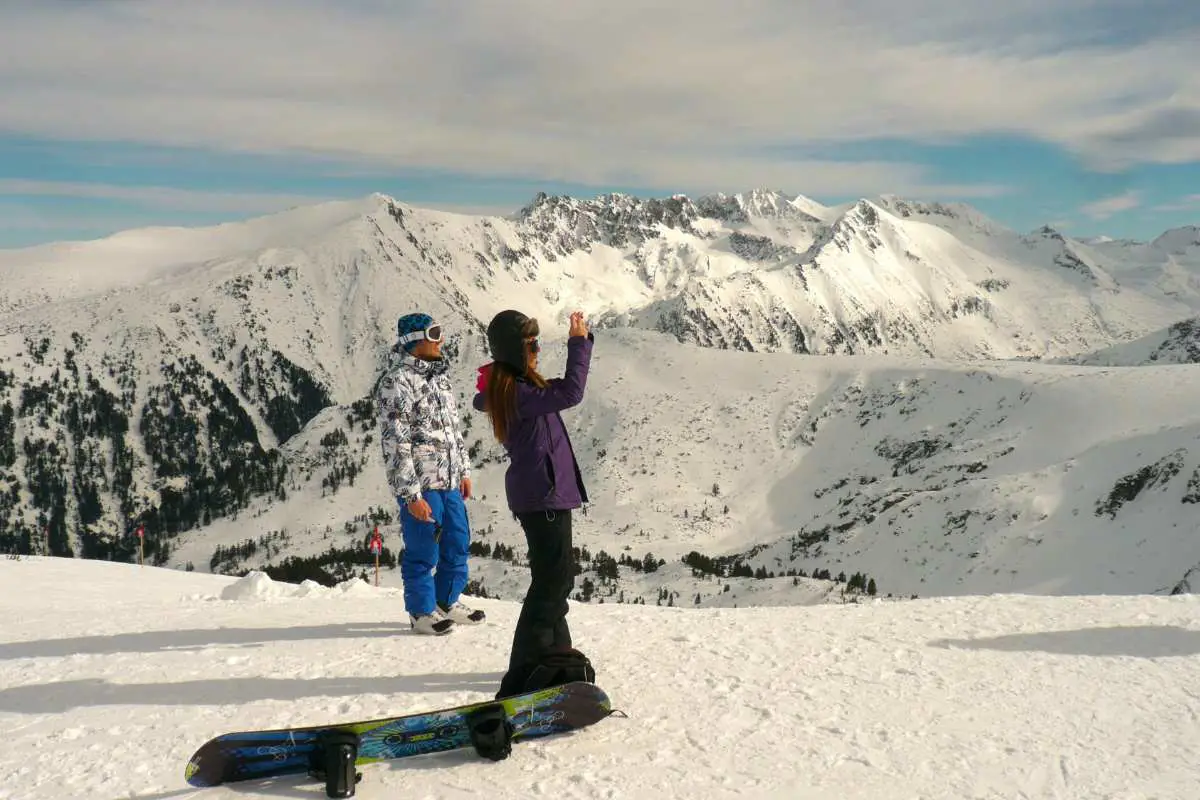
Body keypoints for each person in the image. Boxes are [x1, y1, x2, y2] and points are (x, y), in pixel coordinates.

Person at [473, 309, 597, 697]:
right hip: (543, 495)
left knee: (557, 580)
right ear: (514, 348)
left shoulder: (518, 387)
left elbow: (558, 393)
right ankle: (523, 670)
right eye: (531, 344)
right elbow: (572, 392)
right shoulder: (517, 393)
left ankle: (555, 657)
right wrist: (579, 342)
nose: (538, 349)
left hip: (546, 494)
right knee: (549, 584)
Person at [378, 311, 485, 635]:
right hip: (422, 484)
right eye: (434, 333)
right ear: (415, 340)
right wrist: (410, 495)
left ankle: (446, 601)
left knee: (457, 542)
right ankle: (421, 612)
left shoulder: (440, 379)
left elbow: (453, 431)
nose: (441, 340)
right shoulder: (396, 382)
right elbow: (395, 441)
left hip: (449, 480)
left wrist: (463, 470)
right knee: (424, 548)